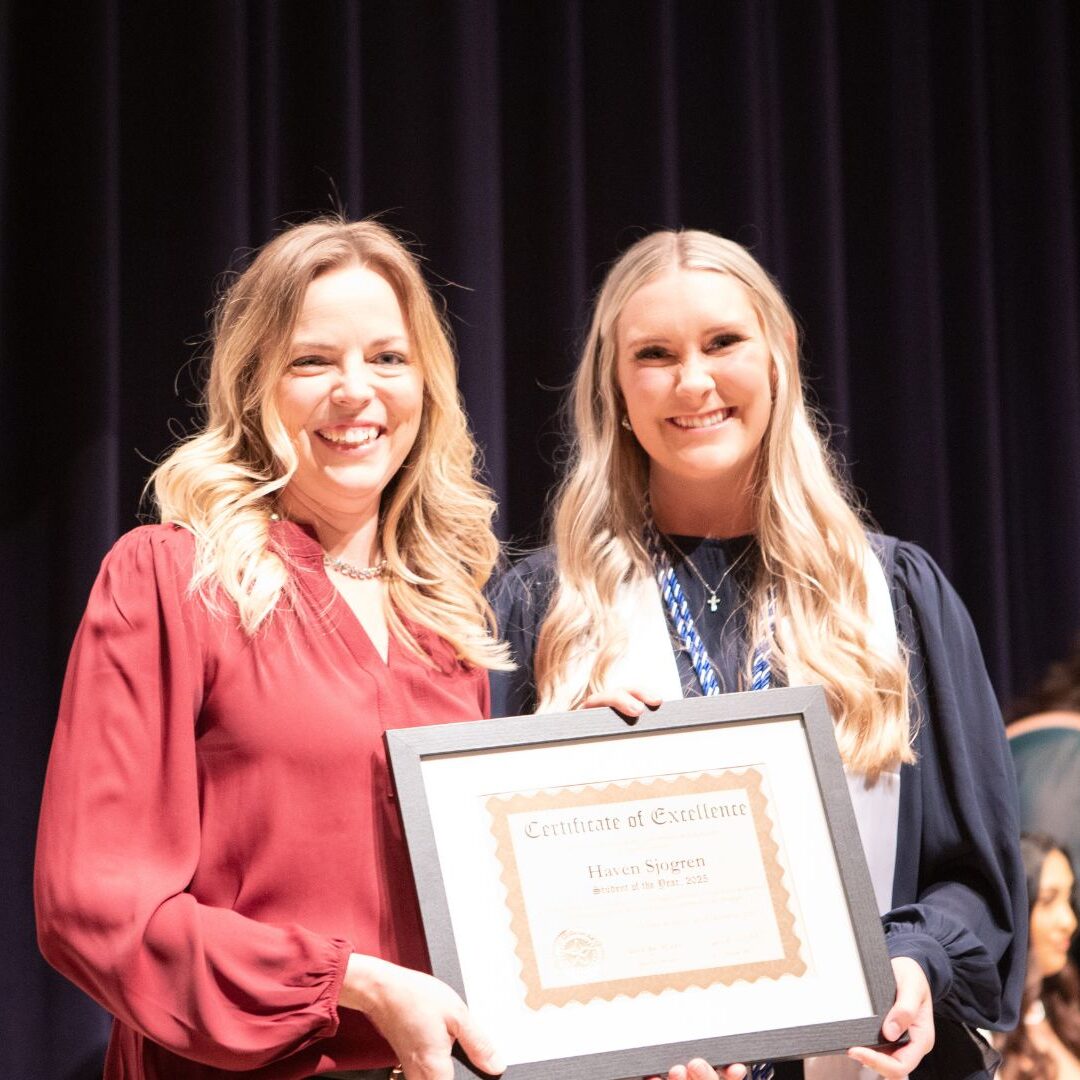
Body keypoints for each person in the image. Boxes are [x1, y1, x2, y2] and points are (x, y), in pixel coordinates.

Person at [492, 229, 1026, 1079]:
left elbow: (976, 882)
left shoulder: (893, 598)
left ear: (778, 357)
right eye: (655, 354)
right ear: (616, 388)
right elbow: (488, 910)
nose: (693, 381)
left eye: (723, 343)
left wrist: (915, 963)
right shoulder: (545, 610)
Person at [35, 218, 512, 1079]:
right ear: (254, 383)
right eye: (312, 360)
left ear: (428, 385)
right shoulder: (173, 580)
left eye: (387, 359)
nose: (355, 391)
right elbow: (92, 905)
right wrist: (351, 983)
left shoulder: (446, 618)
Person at [998, 834, 1080, 1079]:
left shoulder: (1064, 1005)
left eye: (1068, 899)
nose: (1069, 921)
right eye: (1048, 901)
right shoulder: (986, 1033)